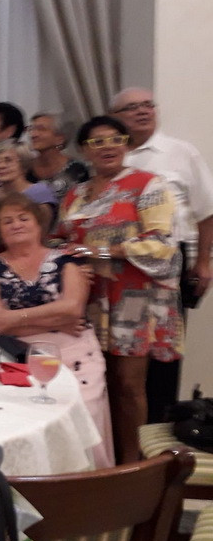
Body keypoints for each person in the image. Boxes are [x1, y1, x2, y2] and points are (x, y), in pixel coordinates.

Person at [59, 116, 182, 464]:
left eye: (115, 139)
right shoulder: (75, 194)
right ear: (84, 150)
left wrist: (99, 251)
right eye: (97, 142)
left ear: (127, 144)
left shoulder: (148, 184)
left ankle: (132, 465)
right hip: (89, 298)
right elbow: (63, 239)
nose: (108, 147)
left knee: (129, 385)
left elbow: (161, 244)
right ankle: (104, 461)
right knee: (100, 382)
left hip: (135, 299)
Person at [0, 192, 114, 468]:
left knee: (85, 417)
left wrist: (15, 318)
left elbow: (73, 309)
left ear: (39, 224)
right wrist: (56, 320)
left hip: (75, 350)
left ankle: (93, 483)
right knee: (29, 422)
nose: (16, 224)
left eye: (23, 218)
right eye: (7, 221)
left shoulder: (67, 259)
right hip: (21, 354)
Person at [111, 86, 213, 426]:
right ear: (114, 117)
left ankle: (160, 435)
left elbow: (206, 212)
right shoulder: (112, 156)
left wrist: (203, 262)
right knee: (123, 352)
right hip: (120, 263)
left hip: (172, 261)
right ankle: (125, 436)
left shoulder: (180, 152)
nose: (143, 111)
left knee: (163, 352)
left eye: (147, 105)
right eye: (131, 108)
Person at [0, 140, 56, 231]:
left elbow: (43, 230)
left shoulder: (39, 191)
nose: (0, 166)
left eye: (8, 160)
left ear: (23, 164)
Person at [27, 111, 89, 202]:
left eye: (41, 129)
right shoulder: (25, 169)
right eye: (31, 129)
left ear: (59, 138)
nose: (33, 134)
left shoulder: (77, 170)